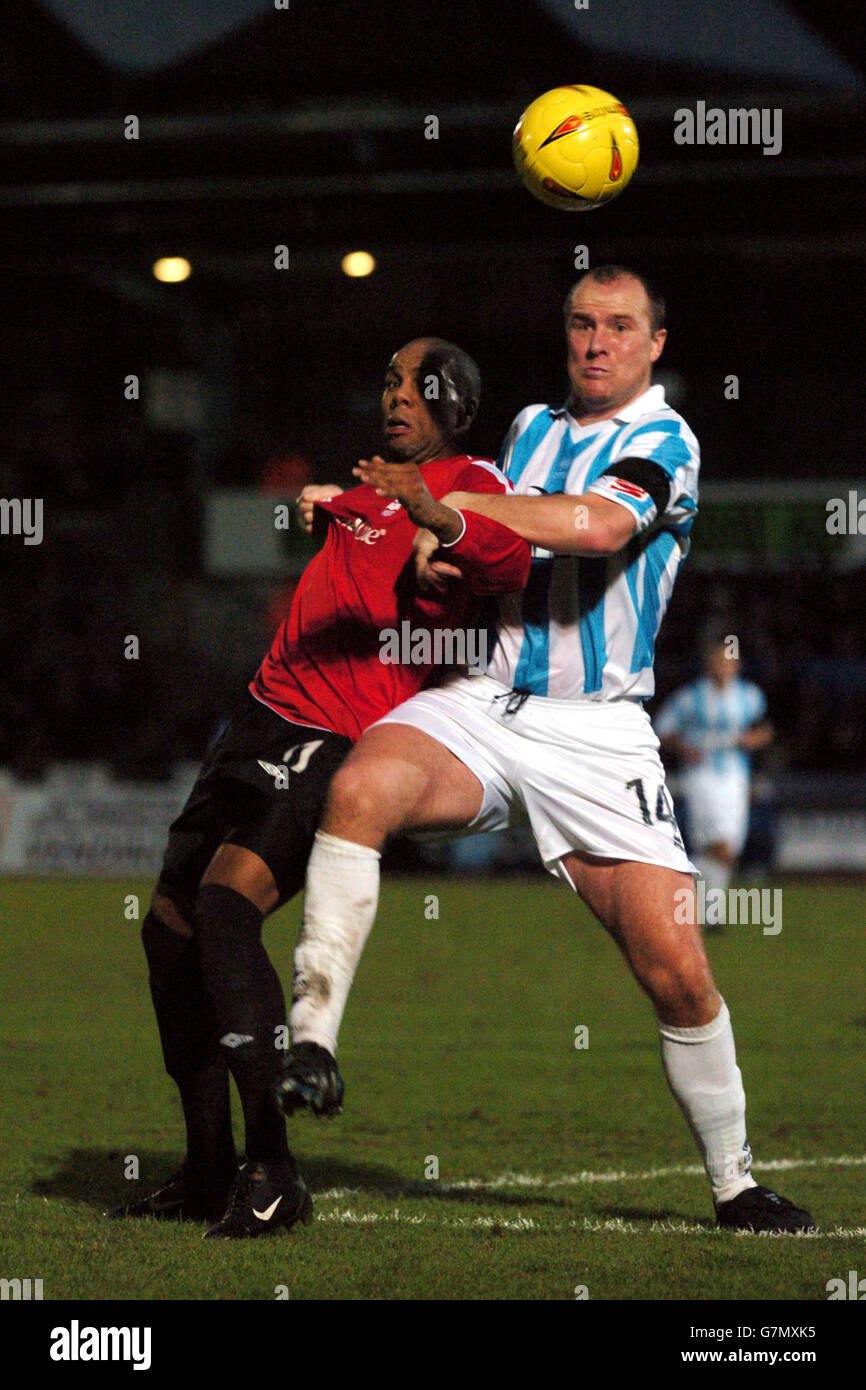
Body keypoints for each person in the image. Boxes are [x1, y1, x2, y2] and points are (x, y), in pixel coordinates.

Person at [280, 267, 813, 1234]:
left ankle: (736, 1184)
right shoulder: (528, 428)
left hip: (596, 731)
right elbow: (480, 551)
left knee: (678, 974)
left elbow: (596, 525)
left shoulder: (665, 440)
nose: (596, 342)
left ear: (656, 343)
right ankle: (310, 1038)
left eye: (619, 326)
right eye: (580, 324)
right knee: (358, 789)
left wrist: (447, 512)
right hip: (484, 699)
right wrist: (391, 524)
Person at [109, 338, 530, 1238]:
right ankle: (206, 1166)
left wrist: (436, 528)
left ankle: (274, 1167)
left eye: (414, 385)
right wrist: (332, 505)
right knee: (169, 931)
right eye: (385, 380)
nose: (395, 396)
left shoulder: (469, 481)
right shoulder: (377, 485)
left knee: (225, 912)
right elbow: (365, 527)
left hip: (330, 736)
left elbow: (504, 560)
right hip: (256, 718)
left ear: (455, 400)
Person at [655, 630, 773, 908]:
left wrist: (751, 740)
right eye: (719, 661)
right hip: (701, 776)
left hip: (735, 776)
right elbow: (663, 729)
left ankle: (689, 897)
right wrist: (685, 748)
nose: (724, 667)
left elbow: (765, 730)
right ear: (709, 663)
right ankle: (710, 910)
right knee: (717, 843)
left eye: (729, 661)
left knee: (727, 846)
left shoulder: (750, 696)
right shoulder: (690, 697)